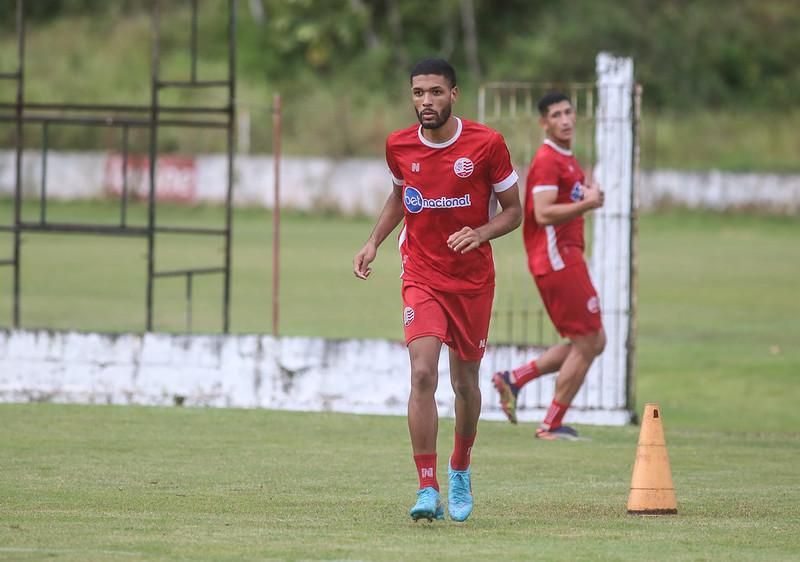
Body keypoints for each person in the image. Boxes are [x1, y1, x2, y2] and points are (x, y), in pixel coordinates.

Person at [353, 58, 521, 522]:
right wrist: (372, 242)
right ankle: (427, 487)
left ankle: (460, 468)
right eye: (418, 93)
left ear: (454, 94)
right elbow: (400, 195)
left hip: (471, 282)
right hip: (421, 274)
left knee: (464, 383)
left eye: (435, 92)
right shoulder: (399, 145)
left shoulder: (487, 144)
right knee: (423, 373)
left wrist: (482, 233)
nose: (426, 102)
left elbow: (514, 211)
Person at [491, 91, 606, 441]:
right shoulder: (547, 160)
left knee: (593, 340)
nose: (566, 120)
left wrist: (587, 194)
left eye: (569, 112)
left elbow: (568, 198)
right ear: (544, 122)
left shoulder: (568, 159)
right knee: (588, 341)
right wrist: (588, 204)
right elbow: (541, 212)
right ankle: (551, 424)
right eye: (556, 115)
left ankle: (515, 379)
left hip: (566, 258)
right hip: (557, 260)